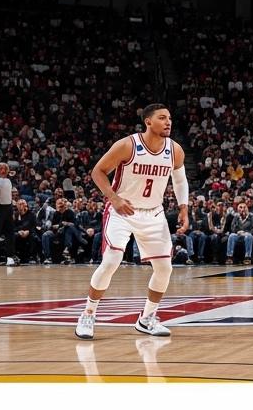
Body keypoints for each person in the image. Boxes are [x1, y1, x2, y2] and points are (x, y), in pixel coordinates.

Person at [74, 104, 190, 340]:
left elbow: (180, 180)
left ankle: (147, 318)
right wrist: (113, 198)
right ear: (148, 122)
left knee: (164, 268)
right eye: (162, 118)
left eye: (169, 118)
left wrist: (183, 208)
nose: (168, 122)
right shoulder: (128, 145)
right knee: (111, 260)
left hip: (154, 213)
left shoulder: (174, 150)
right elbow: (98, 171)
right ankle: (88, 314)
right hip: (123, 210)